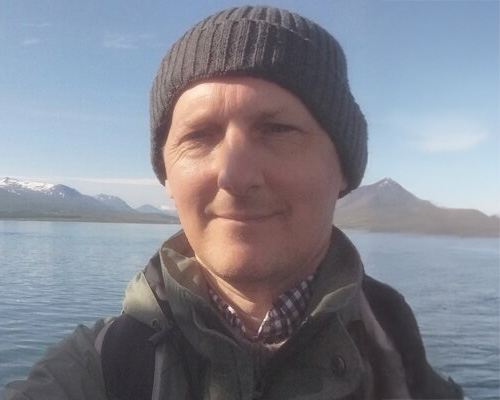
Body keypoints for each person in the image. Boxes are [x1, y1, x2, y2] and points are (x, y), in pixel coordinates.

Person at [5, 5, 463, 400]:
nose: (235, 176)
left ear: (343, 168)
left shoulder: (404, 367)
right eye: (198, 136)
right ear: (167, 176)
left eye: (278, 130)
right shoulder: (99, 369)